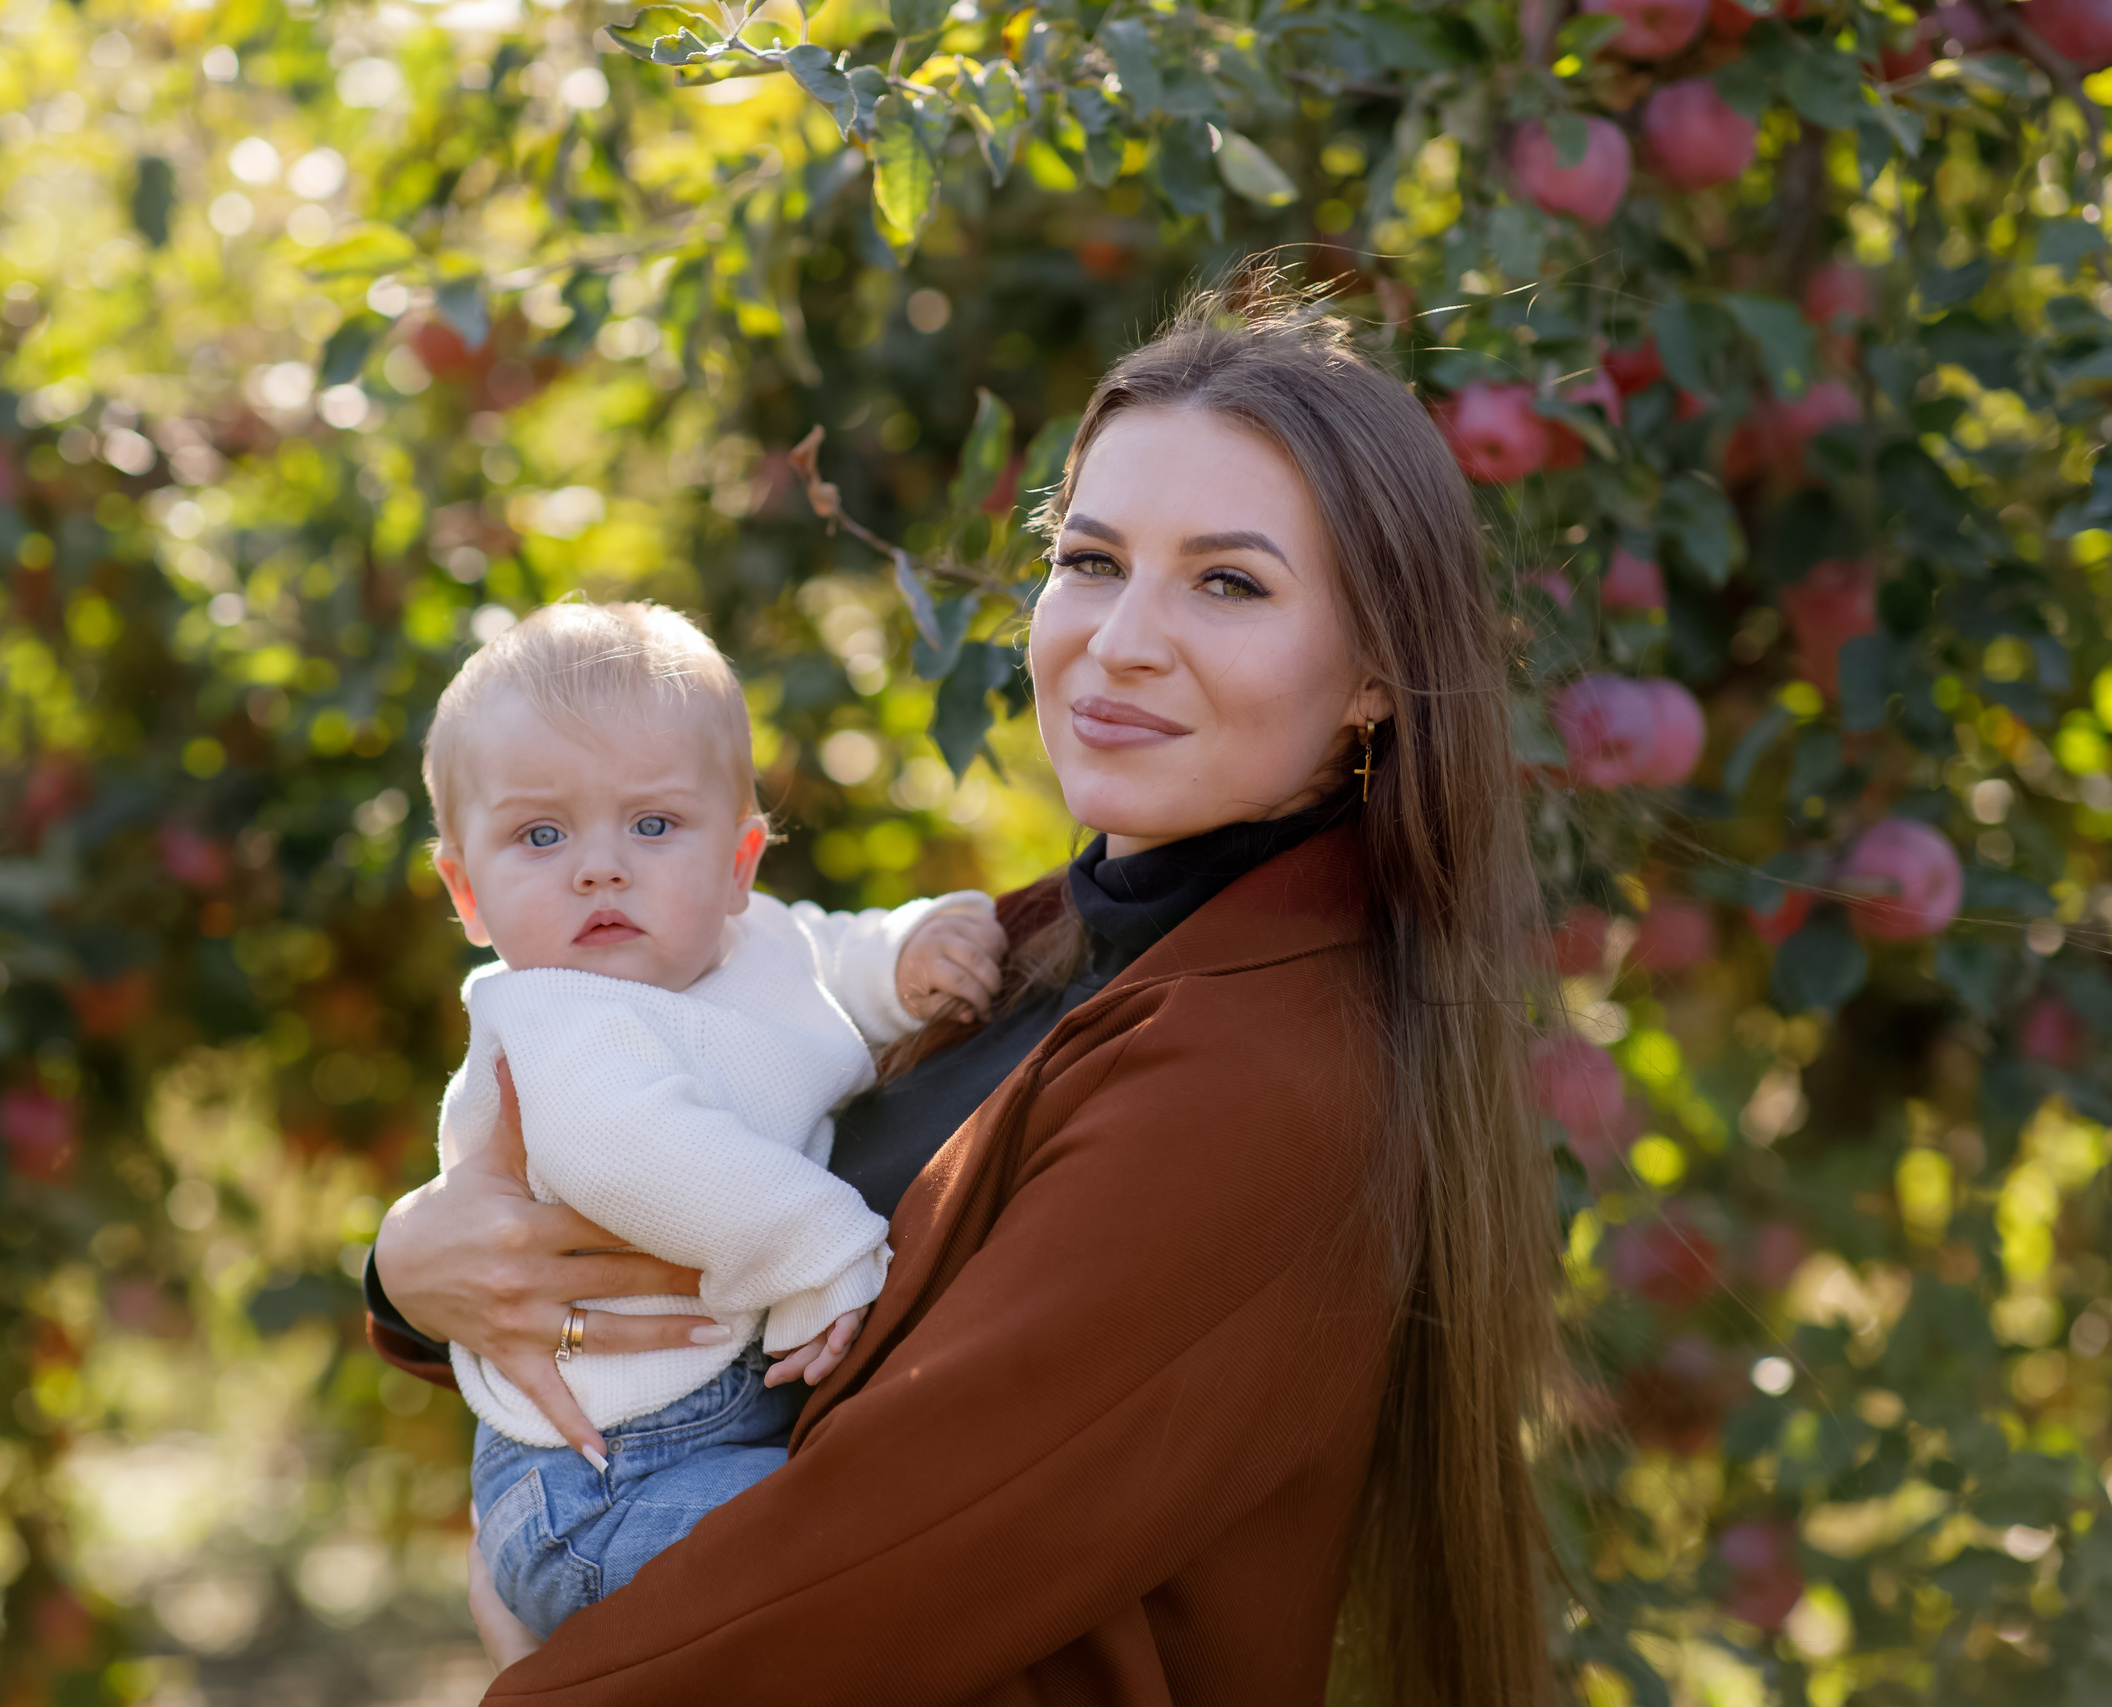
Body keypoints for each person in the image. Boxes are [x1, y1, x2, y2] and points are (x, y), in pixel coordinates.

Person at [367, 275, 1562, 1705]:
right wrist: (410, 1272)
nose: (1121, 639)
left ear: (1376, 673)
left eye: (1229, 581)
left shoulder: (1260, 1071)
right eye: (1094, 559)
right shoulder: (1046, 946)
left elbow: (879, 1561)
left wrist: (530, 1670)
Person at [415, 600, 1007, 1639]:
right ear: (467, 895)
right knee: (862, 1566)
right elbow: (634, 1154)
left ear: (738, 865)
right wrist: (822, 1253)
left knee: (876, 1552)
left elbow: (829, 958)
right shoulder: (553, 1015)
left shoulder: (752, 945)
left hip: (704, 1430)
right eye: (539, 835)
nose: (599, 867)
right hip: (596, 1486)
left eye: (652, 825)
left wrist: (907, 956)